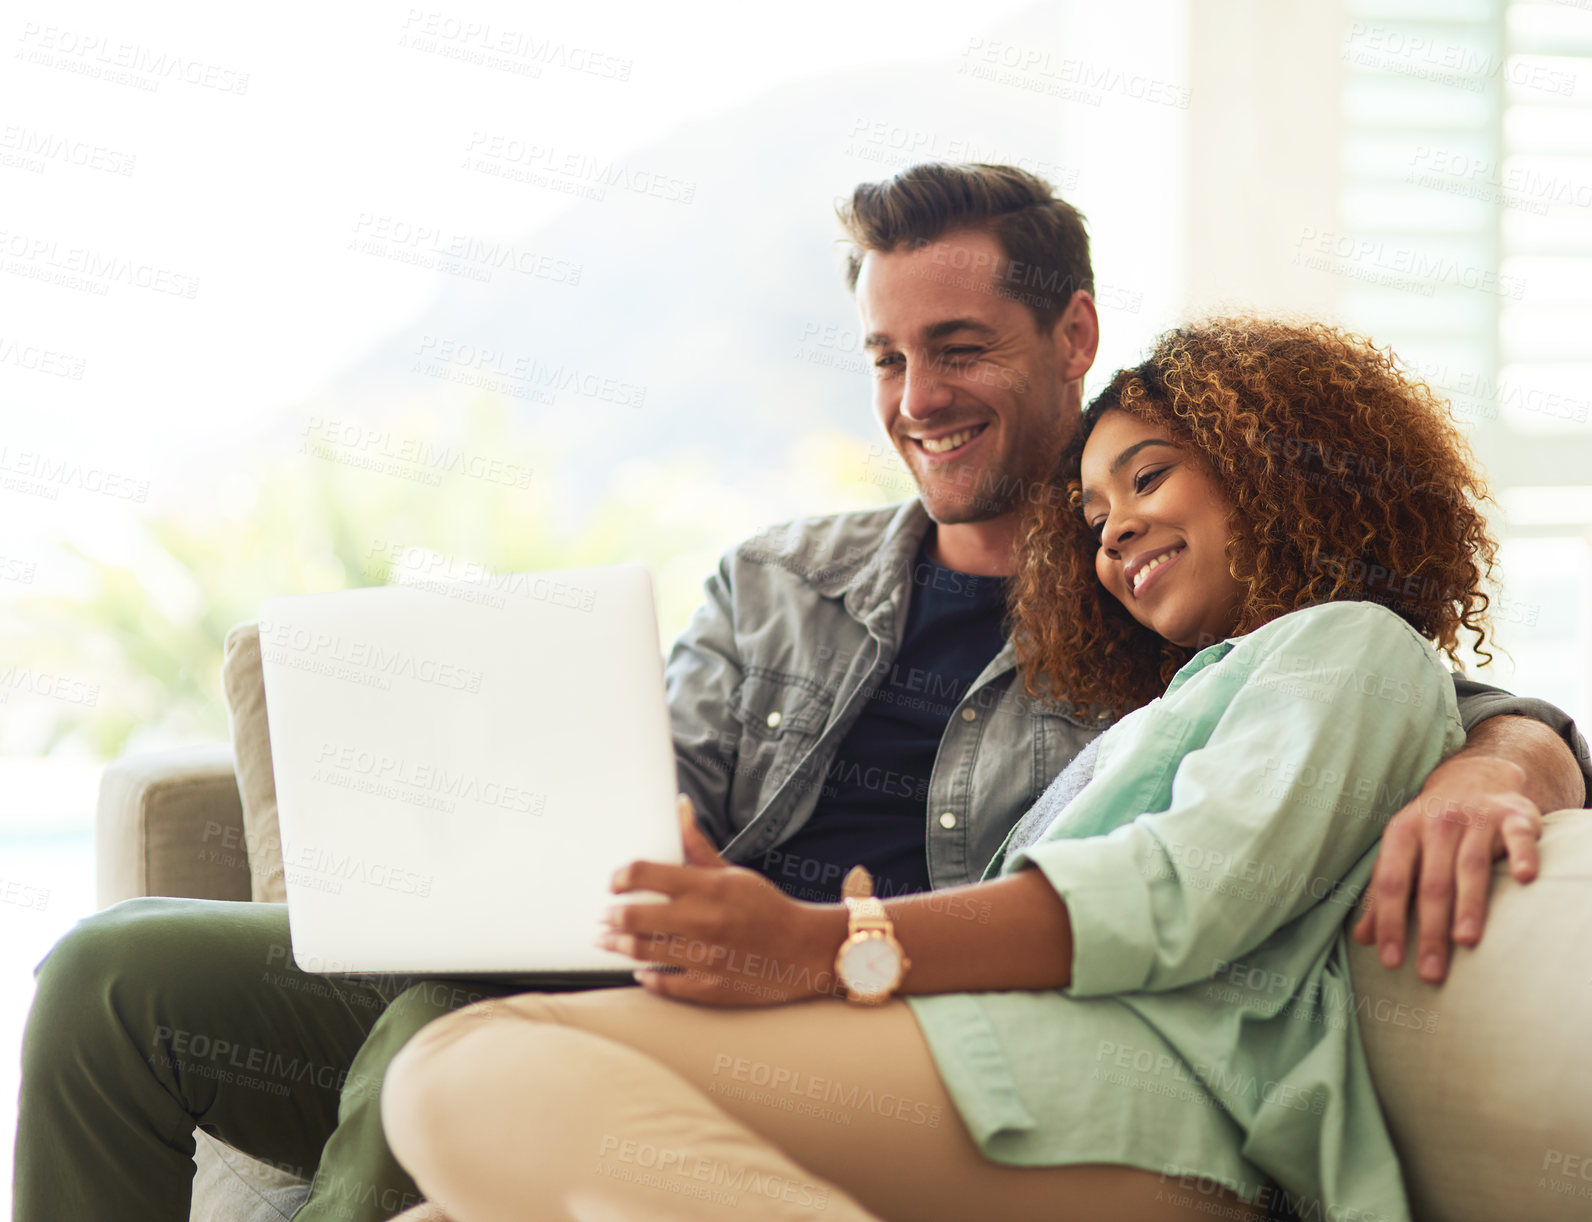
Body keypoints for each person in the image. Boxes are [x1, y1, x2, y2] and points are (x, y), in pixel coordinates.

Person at [11, 165, 1592, 1222]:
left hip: (879, 1008)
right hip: (672, 953)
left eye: (958, 346)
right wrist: (569, 830)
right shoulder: (786, 572)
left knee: (459, 1033)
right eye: (886, 359)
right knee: (118, 972)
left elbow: (1363, 684)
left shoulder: (1179, 616)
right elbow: (654, 777)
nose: (920, 399)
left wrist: (1514, 754)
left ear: (1074, 334)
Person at [380, 314, 1523, 1222]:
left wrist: (822, 948)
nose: (1111, 528)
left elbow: (1176, 896)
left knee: (461, 1070)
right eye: (1091, 509)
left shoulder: (1351, 646)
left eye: (1150, 476)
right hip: (1016, 1072)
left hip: (1152, 1115)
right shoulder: (1180, 700)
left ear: (1272, 468)